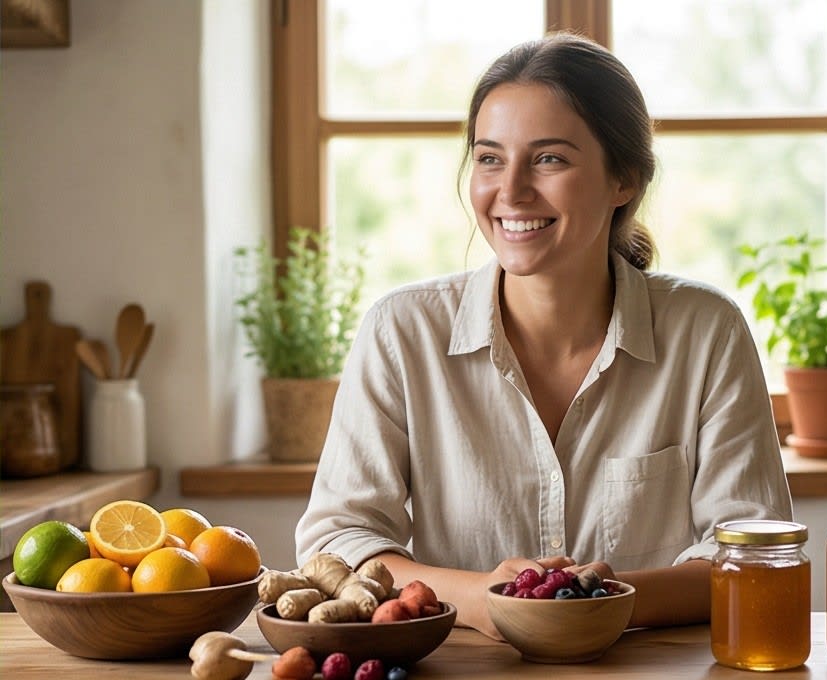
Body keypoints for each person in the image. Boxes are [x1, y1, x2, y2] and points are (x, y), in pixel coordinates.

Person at [295, 32, 792, 639]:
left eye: (549, 158)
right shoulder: (402, 332)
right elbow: (338, 542)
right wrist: (487, 599)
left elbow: (756, 551)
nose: (510, 191)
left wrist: (592, 601)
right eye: (489, 158)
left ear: (624, 179)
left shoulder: (707, 332)